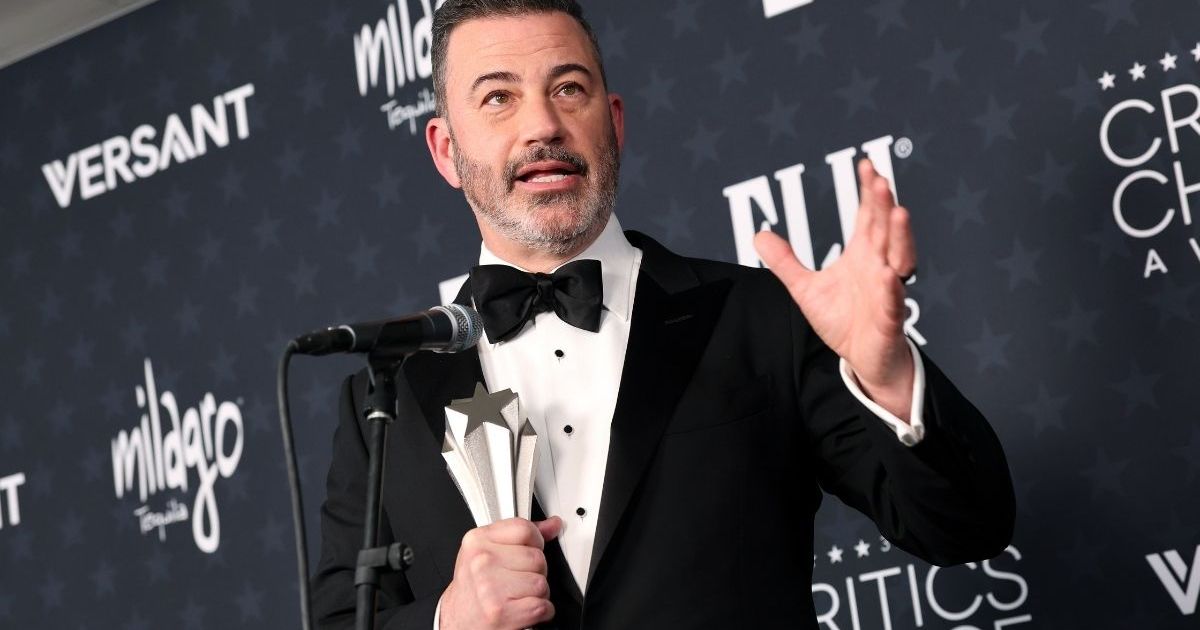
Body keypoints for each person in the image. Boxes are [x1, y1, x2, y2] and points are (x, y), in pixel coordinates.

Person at [312, 1, 1016, 628]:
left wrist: (889, 375)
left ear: (613, 121)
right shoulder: (389, 397)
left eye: (569, 88)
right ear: (446, 150)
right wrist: (449, 620)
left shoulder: (757, 316)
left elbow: (965, 527)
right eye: (499, 97)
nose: (543, 125)